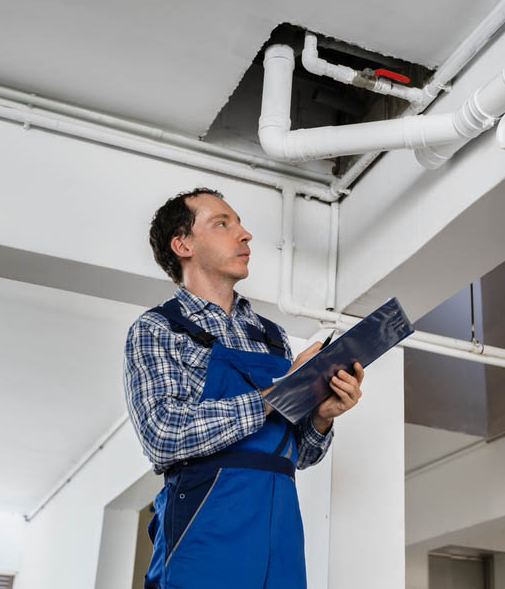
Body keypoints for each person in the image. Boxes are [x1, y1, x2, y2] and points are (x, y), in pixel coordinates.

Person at [123, 188, 364, 589]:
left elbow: (296, 454)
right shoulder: (157, 329)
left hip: (280, 534)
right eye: (223, 223)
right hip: (205, 531)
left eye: (239, 222)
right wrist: (283, 390)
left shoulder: (272, 337)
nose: (245, 234)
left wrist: (321, 417)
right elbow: (163, 435)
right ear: (183, 244)